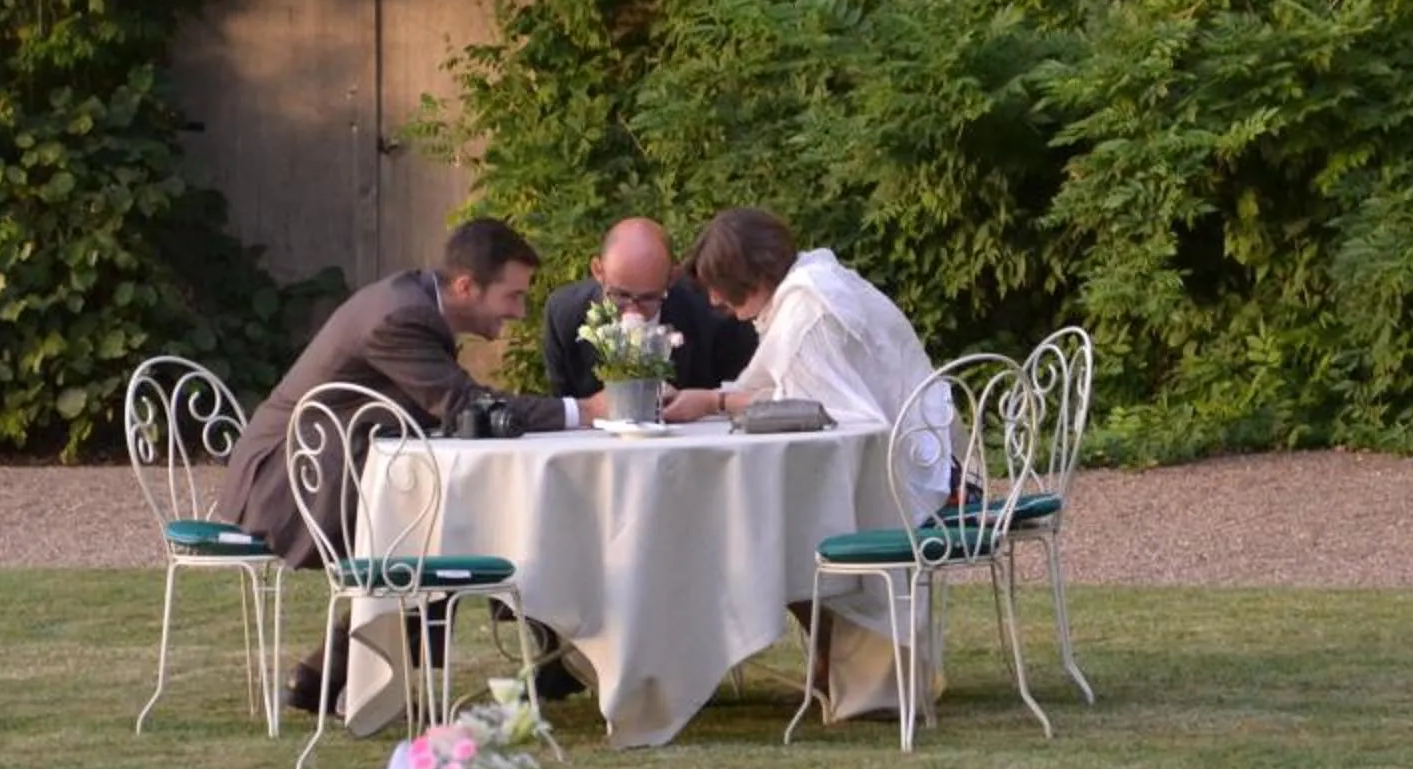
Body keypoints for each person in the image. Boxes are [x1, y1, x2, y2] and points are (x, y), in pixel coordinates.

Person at [223, 216, 599, 713]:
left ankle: (331, 671)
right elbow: (466, 407)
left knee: (464, 510)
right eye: (512, 296)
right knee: (453, 520)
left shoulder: (413, 302)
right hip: (293, 482)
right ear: (466, 286)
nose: (520, 311)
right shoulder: (401, 316)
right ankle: (548, 652)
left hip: (336, 461)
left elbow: (449, 409)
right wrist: (586, 411)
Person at [669, 206, 955, 517]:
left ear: (748, 276)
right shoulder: (818, 281)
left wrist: (716, 402)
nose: (713, 300)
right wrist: (713, 400)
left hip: (915, 482)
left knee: (754, 509)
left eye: (718, 287)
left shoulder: (807, 314)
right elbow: (799, 394)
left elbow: (817, 416)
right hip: (932, 451)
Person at [539, 216, 757, 401]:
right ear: (598, 271)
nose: (632, 311)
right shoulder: (565, 315)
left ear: (672, 277)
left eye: (649, 298)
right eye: (620, 295)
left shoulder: (713, 315)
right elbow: (566, 406)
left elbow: (740, 399)